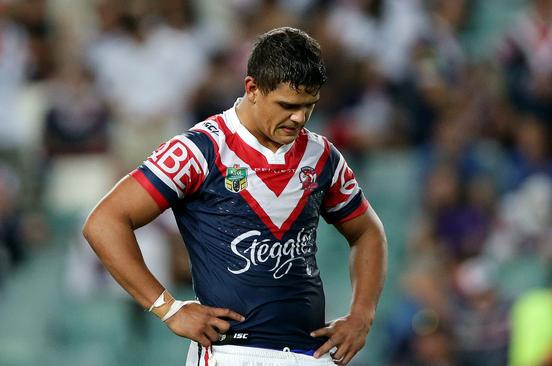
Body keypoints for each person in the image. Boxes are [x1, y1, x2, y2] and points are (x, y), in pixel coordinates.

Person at [83, 27, 387, 366]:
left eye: (308, 106)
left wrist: (362, 315)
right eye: (287, 105)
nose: (299, 117)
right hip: (231, 352)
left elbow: (367, 231)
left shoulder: (322, 156)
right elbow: (104, 222)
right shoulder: (201, 150)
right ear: (252, 88)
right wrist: (167, 308)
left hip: (312, 353)